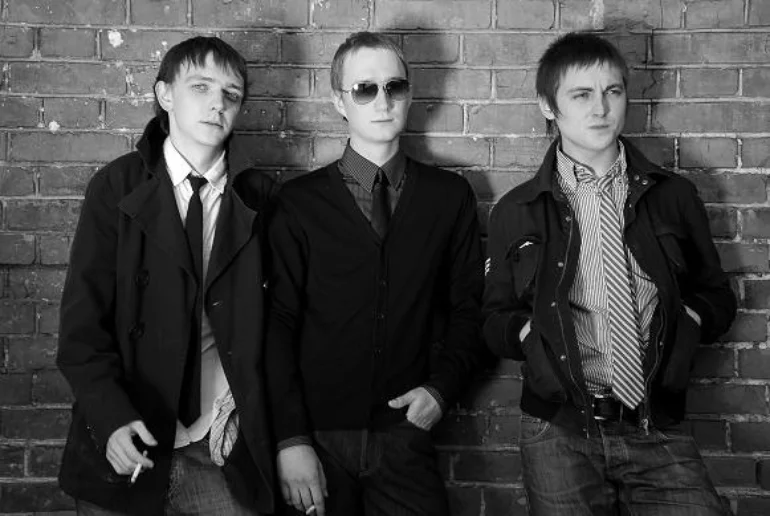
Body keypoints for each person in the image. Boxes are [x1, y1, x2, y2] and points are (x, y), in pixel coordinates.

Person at [483, 32, 736, 515]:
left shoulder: (672, 195)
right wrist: (528, 334)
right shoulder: (516, 210)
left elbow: (717, 295)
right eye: (581, 95)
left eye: (613, 92)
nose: (601, 108)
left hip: (655, 422)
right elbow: (493, 318)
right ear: (548, 106)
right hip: (558, 428)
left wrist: (691, 320)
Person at [265, 31, 485, 516]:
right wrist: (290, 439)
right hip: (316, 439)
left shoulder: (450, 197)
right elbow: (277, 324)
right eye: (365, 89)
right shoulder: (298, 204)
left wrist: (441, 390)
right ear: (338, 102)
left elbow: (470, 308)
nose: (383, 101)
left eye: (395, 87)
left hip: (405, 437)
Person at [57, 36, 276, 515]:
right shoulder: (116, 188)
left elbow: (276, 330)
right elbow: (81, 330)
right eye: (201, 86)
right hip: (130, 434)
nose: (218, 103)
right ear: (165, 95)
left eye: (232, 94)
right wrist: (111, 418)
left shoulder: (260, 198)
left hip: (217, 443)